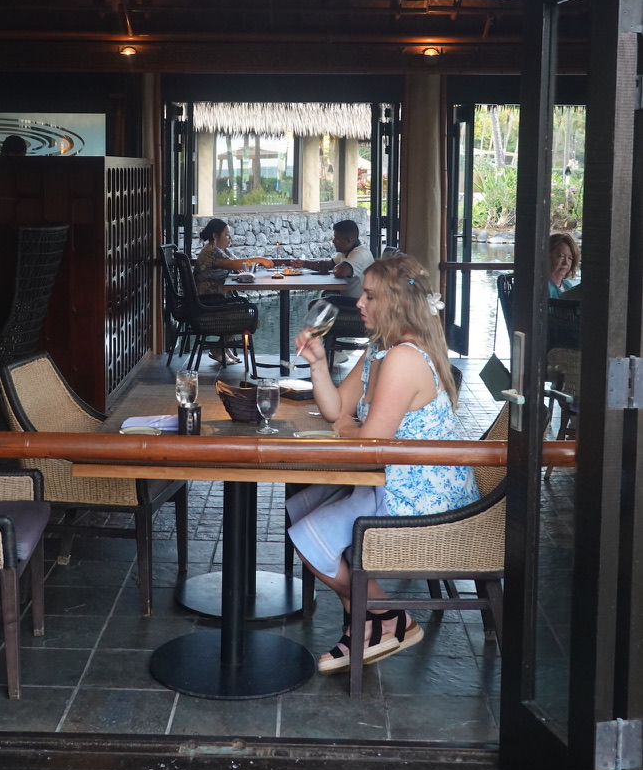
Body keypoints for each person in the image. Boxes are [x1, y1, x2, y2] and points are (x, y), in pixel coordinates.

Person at [286, 254, 479, 674]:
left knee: (307, 537)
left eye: (369, 295)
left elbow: (369, 443)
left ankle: (391, 615)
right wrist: (318, 365)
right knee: (301, 508)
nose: (359, 302)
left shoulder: (404, 358)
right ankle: (368, 625)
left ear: (393, 302)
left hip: (423, 502)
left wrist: (349, 428)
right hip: (397, 480)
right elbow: (339, 409)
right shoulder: (381, 350)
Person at [194, 218, 273, 363]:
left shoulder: (221, 251)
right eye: (227, 235)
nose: (229, 238)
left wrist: (241, 267)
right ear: (215, 236)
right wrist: (260, 259)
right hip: (210, 304)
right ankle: (219, 347)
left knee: (246, 311)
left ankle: (223, 347)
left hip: (218, 301)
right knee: (250, 317)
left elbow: (238, 265)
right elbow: (233, 264)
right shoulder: (211, 251)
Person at [291, 219, 373, 302]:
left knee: (315, 304)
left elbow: (340, 272)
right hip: (351, 300)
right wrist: (304, 264)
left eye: (337, 238)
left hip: (360, 306)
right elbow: (329, 265)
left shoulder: (359, 254)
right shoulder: (347, 251)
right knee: (320, 303)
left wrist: (336, 267)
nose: (333, 241)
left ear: (348, 241)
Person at [548, 232, 580, 298]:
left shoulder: (567, 285)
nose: (566, 263)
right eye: (561, 256)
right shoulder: (542, 287)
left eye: (570, 258)